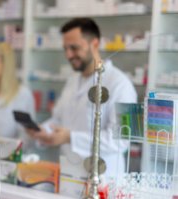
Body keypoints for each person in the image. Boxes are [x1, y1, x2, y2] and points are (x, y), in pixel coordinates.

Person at [26, 18, 137, 178]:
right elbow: (59, 120)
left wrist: (70, 137)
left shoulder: (121, 84)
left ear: (95, 44)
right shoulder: (72, 80)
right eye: (65, 48)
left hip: (104, 179)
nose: (68, 55)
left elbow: (121, 141)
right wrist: (43, 131)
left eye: (74, 48)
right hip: (68, 174)